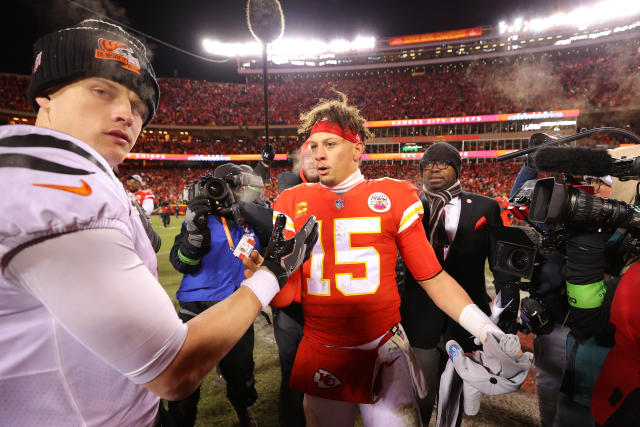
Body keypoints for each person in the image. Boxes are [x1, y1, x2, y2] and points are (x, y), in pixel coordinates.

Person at [0, 19, 315, 426]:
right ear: (46, 94)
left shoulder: (72, 176)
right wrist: (273, 272)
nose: (125, 115)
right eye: (101, 90)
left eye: (138, 106)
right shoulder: (55, 184)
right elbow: (172, 369)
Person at [269, 92, 527, 426]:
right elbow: (286, 296)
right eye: (313, 146)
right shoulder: (292, 201)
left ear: (357, 149)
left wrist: (487, 330)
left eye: (330, 144)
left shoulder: (393, 195)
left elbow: (432, 277)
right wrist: (264, 275)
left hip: (383, 347)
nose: (318, 154)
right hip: (322, 348)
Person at [399, 143, 520, 425]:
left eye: (443, 162)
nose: (434, 168)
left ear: (458, 168)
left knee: (456, 391)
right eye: (427, 163)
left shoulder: (485, 206)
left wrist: (507, 310)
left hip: (466, 312)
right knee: (420, 391)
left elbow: (501, 265)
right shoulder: (409, 208)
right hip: (417, 313)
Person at [168, 163, 268, 427]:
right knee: (186, 374)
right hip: (197, 305)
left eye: (244, 188)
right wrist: (193, 240)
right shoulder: (201, 217)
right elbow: (181, 263)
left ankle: (242, 408)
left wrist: (260, 214)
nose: (241, 193)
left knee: (240, 369)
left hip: (238, 304)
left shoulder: (250, 218)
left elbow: (272, 249)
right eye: (237, 187)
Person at [273, 138, 319, 427]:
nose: (315, 161)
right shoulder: (287, 194)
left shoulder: (338, 191)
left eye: (320, 155)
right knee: (292, 373)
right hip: (293, 306)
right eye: (309, 156)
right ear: (300, 161)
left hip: (328, 300)